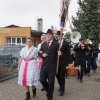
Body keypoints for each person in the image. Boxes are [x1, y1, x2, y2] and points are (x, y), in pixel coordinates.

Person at [39, 29, 59, 100]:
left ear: (52, 36)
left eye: (49, 34)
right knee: (42, 80)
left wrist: (60, 53)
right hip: (44, 66)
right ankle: (49, 91)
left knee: (51, 82)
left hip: (52, 66)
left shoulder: (56, 44)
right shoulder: (43, 44)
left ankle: (50, 96)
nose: (48, 35)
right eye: (47, 34)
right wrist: (42, 54)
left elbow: (59, 54)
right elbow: (40, 52)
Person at [56, 31, 72, 96]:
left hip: (63, 62)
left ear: (62, 36)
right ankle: (60, 85)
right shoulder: (55, 43)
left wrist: (70, 62)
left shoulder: (66, 43)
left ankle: (62, 90)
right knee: (57, 75)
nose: (58, 37)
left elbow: (68, 53)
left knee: (62, 76)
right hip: (56, 62)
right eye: (57, 36)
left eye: (60, 36)